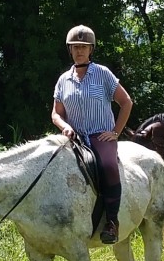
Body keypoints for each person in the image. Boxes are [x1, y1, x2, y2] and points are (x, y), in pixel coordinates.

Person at [52, 25, 133, 244]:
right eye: (75, 47)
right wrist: (64, 127)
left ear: (91, 49)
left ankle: (112, 222)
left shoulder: (103, 74)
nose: (79, 51)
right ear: (70, 50)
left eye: (83, 47)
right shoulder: (63, 80)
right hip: (74, 137)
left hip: (100, 136)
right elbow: (56, 114)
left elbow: (126, 102)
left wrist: (115, 132)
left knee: (108, 165)